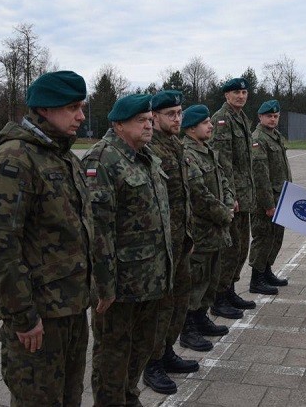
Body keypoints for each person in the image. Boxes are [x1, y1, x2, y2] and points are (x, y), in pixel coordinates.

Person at [0, 71, 94, 406]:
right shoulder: (15, 158)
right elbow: (0, 245)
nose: (81, 116)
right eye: (72, 107)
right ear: (45, 108)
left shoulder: (64, 157)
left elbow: (80, 230)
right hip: (41, 316)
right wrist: (23, 316)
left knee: (70, 397)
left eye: (81, 107)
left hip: (72, 307)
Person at [83, 94, 174, 406]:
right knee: (113, 353)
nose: (149, 125)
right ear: (119, 125)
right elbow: (98, 230)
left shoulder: (145, 156)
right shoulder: (102, 160)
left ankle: (128, 395)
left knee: (141, 346)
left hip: (150, 277)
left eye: (149, 120)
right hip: (120, 285)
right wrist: (104, 286)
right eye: (141, 120)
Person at [142, 90, 198, 395]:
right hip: (162, 245)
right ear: (155, 117)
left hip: (181, 240)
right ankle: (151, 364)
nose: (177, 119)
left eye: (179, 113)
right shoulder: (150, 148)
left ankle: (166, 351)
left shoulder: (176, 145)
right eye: (171, 114)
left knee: (179, 300)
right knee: (161, 308)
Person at [180, 104, 236, 350]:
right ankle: (188, 328)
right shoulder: (187, 154)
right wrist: (224, 213)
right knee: (196, 281)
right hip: (201, 231)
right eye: (205, 123)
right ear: (191, 128)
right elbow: (198, 195)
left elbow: (223, 180)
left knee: (211, 279)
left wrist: (229, 202)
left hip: (216, 230)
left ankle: (201, 318)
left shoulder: (207, 150)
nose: (211, 125)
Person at [210, 77, 256, 318]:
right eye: (236, 92)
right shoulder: (222, 119)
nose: (241, 96)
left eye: (244, 92)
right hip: (233, 195)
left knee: (241, 246)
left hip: (245, 194)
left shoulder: (242, 118)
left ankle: (230, 290)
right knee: (230, 248)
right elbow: (222, 161)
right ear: (226, 95)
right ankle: (219, 298)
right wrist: (230, 196)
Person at [249, 99, 293, 294]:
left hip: (280, 197)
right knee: (263, 238)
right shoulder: (258, 139)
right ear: (260, 117)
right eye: (269, 116)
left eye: (276, 116)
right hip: (266, 201)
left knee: (275, 237)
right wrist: (268, 204)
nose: (273, 119)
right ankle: (256, 279)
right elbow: (260, 175)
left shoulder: (275, 136)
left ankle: (267, 272)